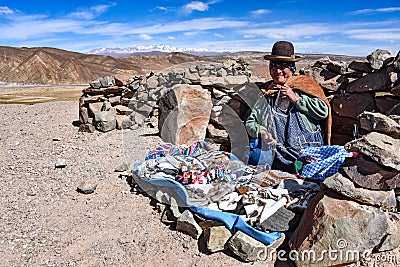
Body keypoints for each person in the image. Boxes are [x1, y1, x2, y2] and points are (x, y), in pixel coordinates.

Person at [245, 41, 332, 173]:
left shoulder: (304, 86)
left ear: (292, 68)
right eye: (274, 66)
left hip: (304, 150)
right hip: (276, 150)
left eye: (283, 66)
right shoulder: (267, 93)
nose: (278, 71)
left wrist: (296, 99)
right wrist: (261, 131)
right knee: (252, 154)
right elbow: (251, 121)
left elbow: (323, 112)